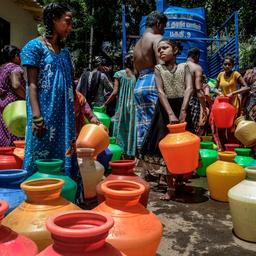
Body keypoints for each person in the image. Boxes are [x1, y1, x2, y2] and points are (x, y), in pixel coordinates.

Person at [21, 3, 79, 180]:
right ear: (54, 19)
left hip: (65, 117)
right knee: (40, 155)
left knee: (65, 154)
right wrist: (37, 117)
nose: (70, 28)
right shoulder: (35, 47)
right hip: (44, 114)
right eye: (67, 22)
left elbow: (70, 87)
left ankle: (65, 196)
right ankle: (37, 200)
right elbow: (32, 85)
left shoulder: (65, 53)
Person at [141, 39, 194, 200]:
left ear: (176, 49)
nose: (161, 51)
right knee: (166, 147)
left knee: (183, 147)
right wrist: (171, 113)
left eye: (165, 48)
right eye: (159, 49)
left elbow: (189, 87)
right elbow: (160, 91)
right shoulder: (158, 69)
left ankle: (180, 183)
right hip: (164, 110)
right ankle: (170, 187)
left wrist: (184, 110)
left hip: (182, 106)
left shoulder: (185, 67)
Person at [133, 11, 167, 178]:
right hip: (153, 82)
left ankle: (146, 170)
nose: (164, 31)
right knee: (158, 127)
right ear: (159, 24)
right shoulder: (157, 39)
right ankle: (159, 171)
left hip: (139, 84)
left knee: (143, 127)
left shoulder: (137, 44)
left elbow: (134, 70)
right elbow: (162, 66)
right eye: (164, 27)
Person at [103, 53, 137, 158]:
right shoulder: (137, 74)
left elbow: (115, 92)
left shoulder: (119, 74)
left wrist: (105, 104)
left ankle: (120, 152)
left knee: (120, 127)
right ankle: (131, 152)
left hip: (122, 105)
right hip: (133, 105)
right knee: (132, 128)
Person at [212, 55, 249, 150]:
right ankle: (223, 148)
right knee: (220, 127)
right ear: (222, 65)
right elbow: (215, 88)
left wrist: (233, 93)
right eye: (225, 64)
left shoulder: (236, 74)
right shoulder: (220, 75)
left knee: (231, 128)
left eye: (229, 64)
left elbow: (246, 87)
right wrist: (218, 92)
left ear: (232, 65)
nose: (227, 66)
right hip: (222, 105)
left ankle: (233, 148)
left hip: (233, 104)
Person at [0, 45, 26, 146]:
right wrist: (28, 97)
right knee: (17, 134)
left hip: (3, 106)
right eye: (20, 56)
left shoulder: (1, 69)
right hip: (16, 107)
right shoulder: (14, 68)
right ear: (15, 56)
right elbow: (16, 85)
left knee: (5, 135)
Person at [186, 48, 208, 134]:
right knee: (192, 130)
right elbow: (198, 90)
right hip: (193, 101)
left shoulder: (180, 67)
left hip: (180, 100)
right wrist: (204, 108)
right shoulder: (197, 68)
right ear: (197, 56)